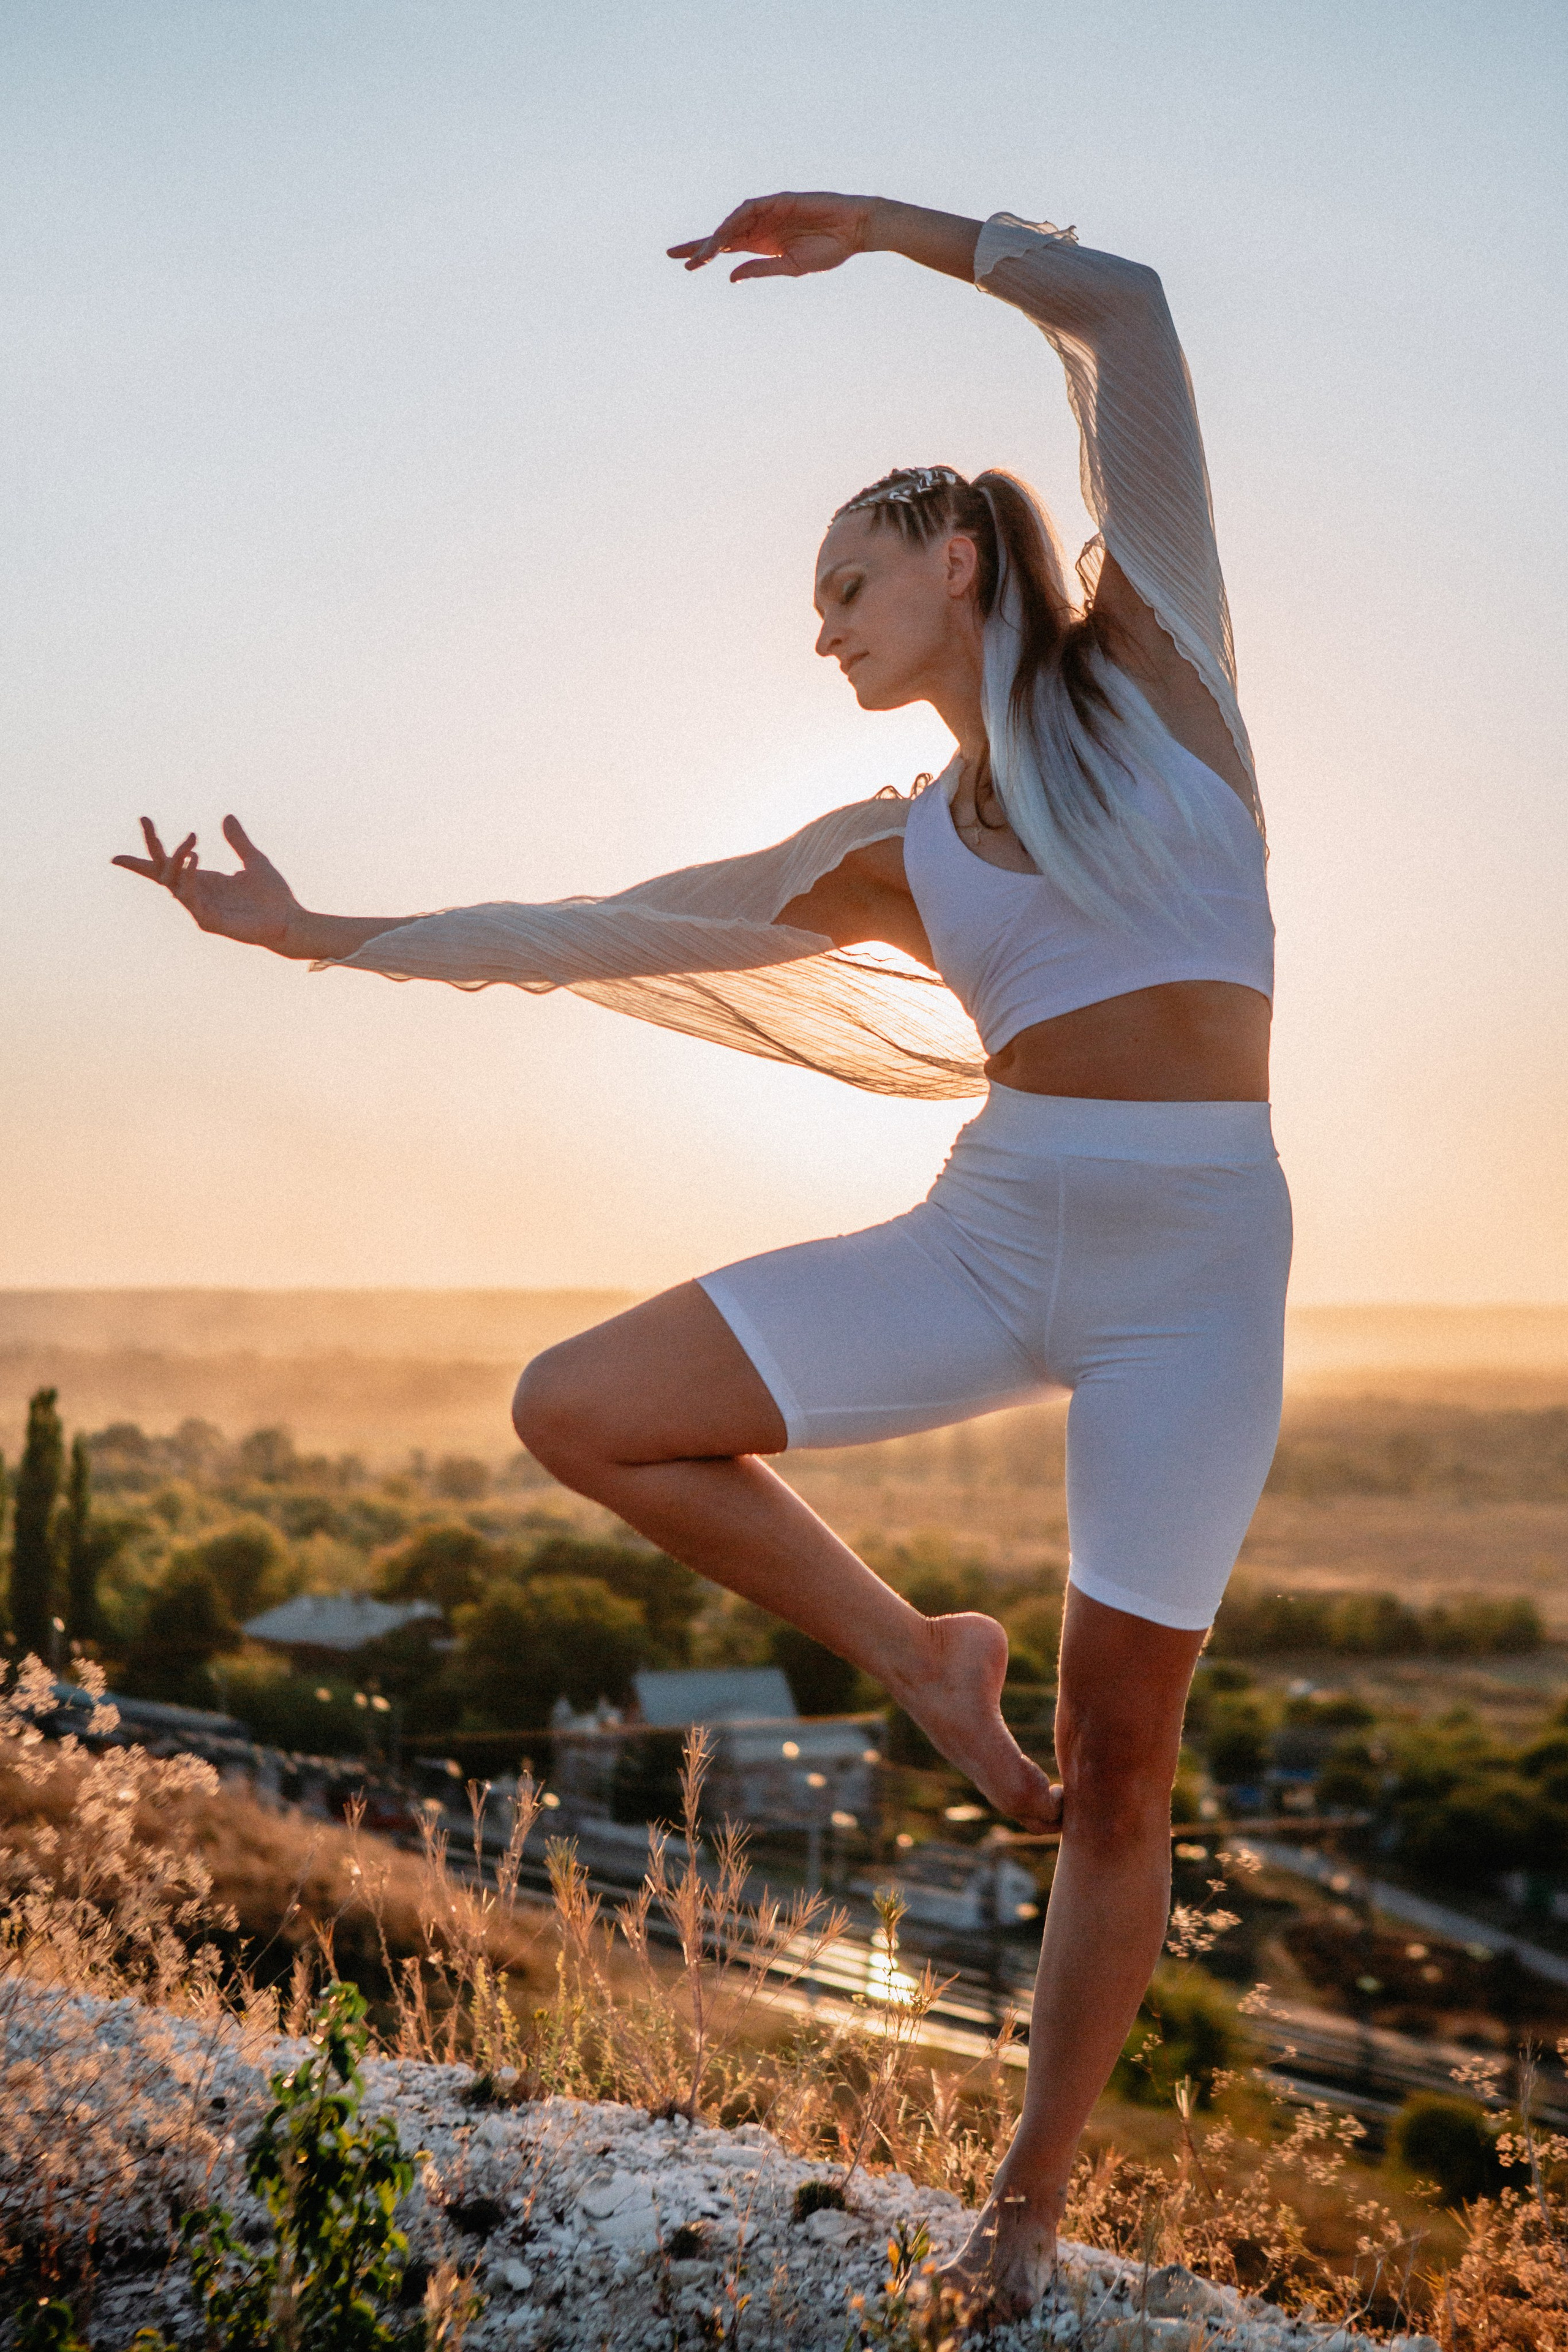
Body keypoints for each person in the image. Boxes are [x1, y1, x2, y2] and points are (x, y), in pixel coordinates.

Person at [116, 190, 1289, 2316]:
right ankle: (923, 1658)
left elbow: (1125, 311)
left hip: (1203, 1274)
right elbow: (601, 926)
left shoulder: (1162, 667)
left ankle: (1026, 2210)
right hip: (999, 1228)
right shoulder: (885, 854)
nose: (821, 627)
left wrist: (890, 229)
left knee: (1125, 1768)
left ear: (954, 557)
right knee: (581, 1408)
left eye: (844, 584)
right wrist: (313, 934)